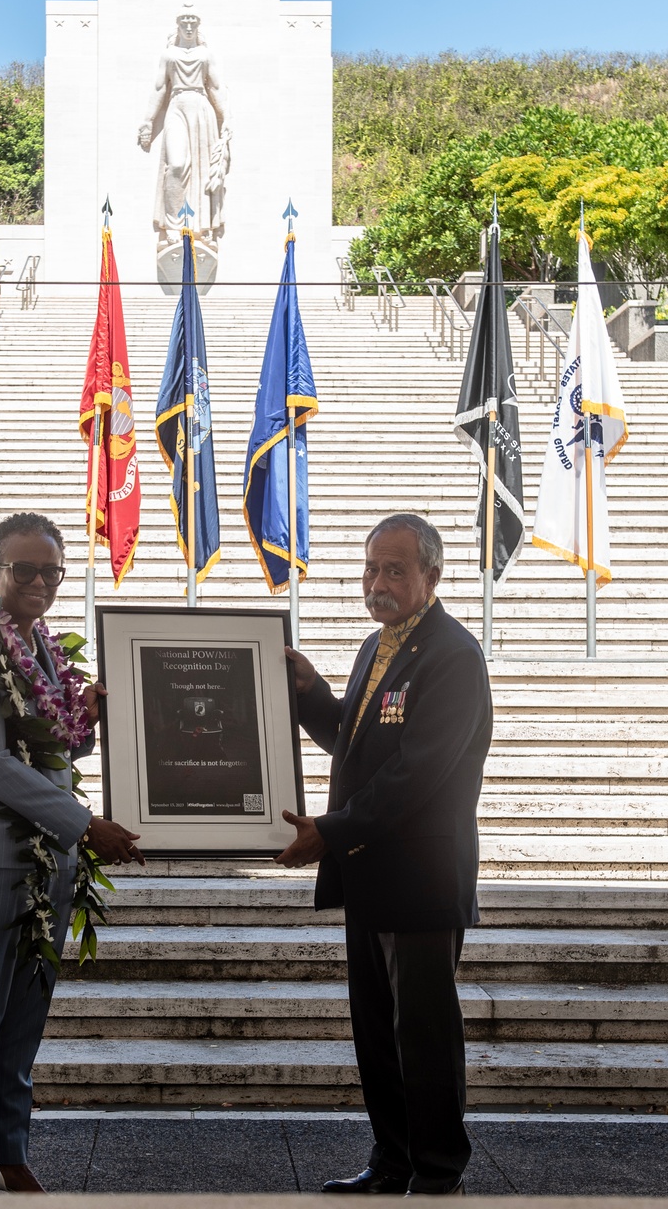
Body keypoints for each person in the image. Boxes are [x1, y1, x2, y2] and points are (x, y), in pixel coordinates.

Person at [277, 513, 492, 1197]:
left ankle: (436, 1170)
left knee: (424, 1034)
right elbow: (355, 739)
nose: (379, 582)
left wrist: (329, 831)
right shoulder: (378, 646)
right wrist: (311, 694)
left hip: (421, 880)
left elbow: (414, 775)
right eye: (372, 568)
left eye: (395, 570)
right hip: (372, 875)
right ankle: (391, 1158)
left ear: (432, 575)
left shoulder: (454, 655)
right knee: (376, 1031)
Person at [0, 512, 145, 1194]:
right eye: (23, 569)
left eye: (50, 570)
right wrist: (84, 824)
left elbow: (48, 750)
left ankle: (8, 1147)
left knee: (26, 1015)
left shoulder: (45, 645)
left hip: (48, 859)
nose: (38, 582)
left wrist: (86, 719)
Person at [138, 10, 230, 248]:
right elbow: (159, 88)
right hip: (176, 106)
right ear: (178, 25)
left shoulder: (206, 54)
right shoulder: (168, 55)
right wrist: (148, 121)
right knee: (176, 165)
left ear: (198, 26)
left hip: (201, 108)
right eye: (184, 22)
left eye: (193, 22)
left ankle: (203, 227)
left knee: (202, 169)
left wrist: (226, 117)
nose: (189, 27)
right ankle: (173, 225)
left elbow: (217, 88)